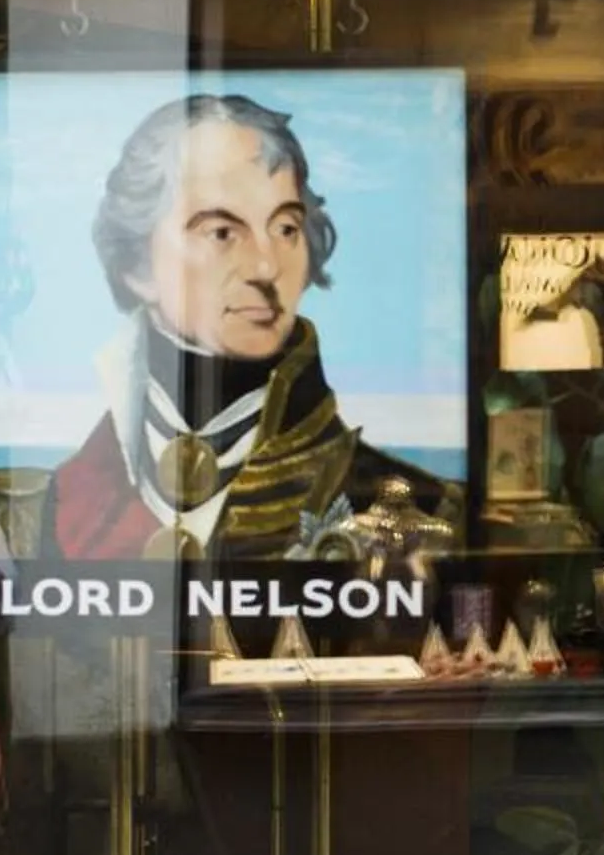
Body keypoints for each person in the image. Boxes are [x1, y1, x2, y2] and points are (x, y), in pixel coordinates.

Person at [36, 93, 447, 562]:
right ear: (136, 265)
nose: (266, 266)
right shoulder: (33, 519)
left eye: (286, 228)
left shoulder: (422, 515)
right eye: (221, 232)